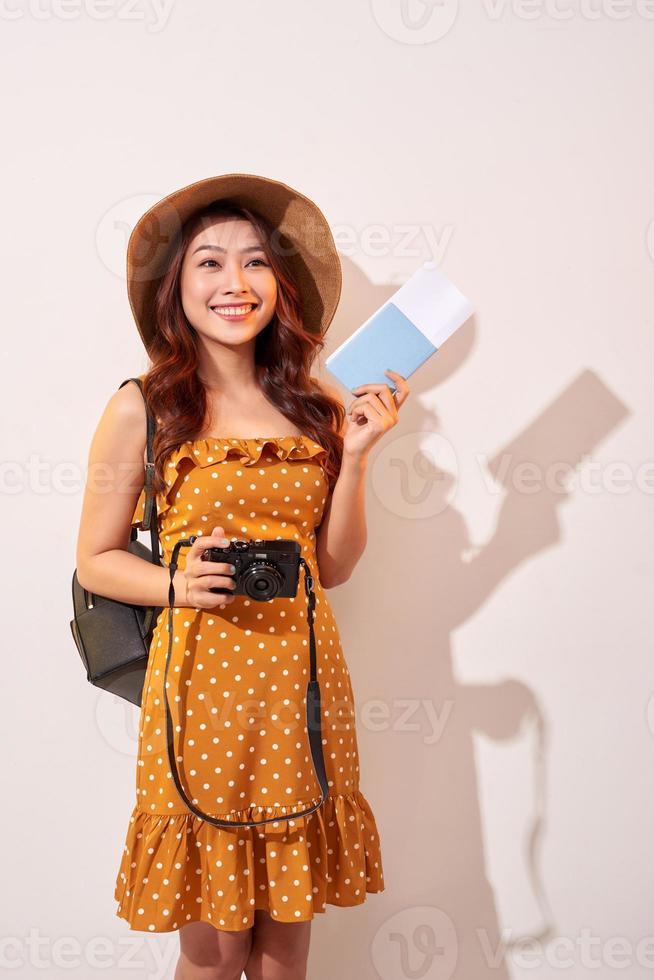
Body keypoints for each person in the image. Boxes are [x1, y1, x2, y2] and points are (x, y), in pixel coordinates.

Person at [75, 173, 410, 980]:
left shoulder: (317, 408)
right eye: (210, 264)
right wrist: (178, 584)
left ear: (280, 284)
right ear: (176, 289)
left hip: (303, 681)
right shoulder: (143, 407)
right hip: (199, 686)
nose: (235, 284)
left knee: (284, 940)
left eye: (255, 264)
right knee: (215, 946)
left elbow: (332, 565)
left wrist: (358, 459)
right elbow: (96, 557)